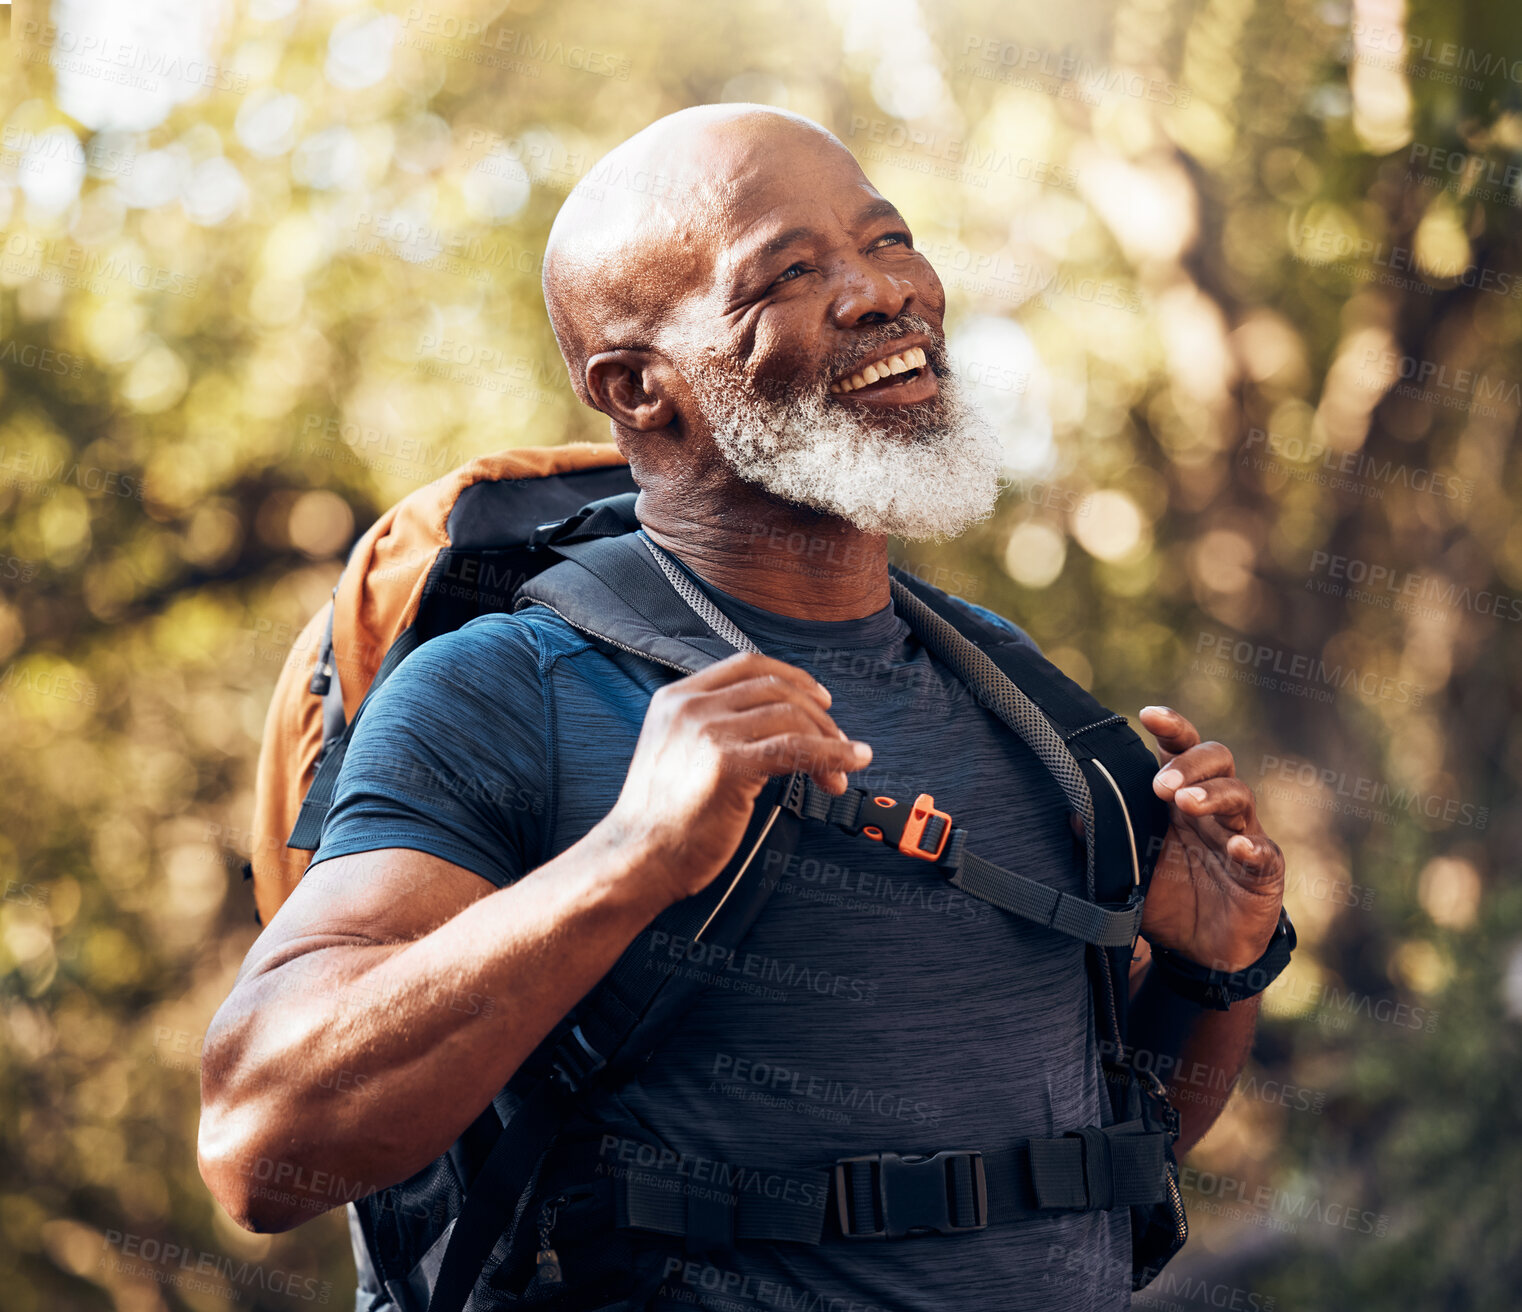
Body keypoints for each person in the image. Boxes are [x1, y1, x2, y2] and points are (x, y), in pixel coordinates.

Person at [198, 105, 1287, 1311]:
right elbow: (259, 1142)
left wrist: (1207, 973)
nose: (882, 292)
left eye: (889, 240)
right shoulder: (504, 690)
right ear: (636, 386)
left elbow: (1095, 1162)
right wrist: (628, 856)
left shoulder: (1015, 695)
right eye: (789, 272)